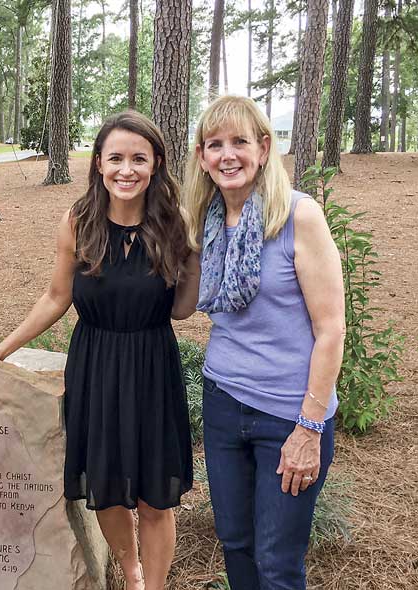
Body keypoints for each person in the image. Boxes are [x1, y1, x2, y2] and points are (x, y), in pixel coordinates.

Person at [0, 111, 197, 590]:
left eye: (138, 158)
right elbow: (56, 296)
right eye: (115, 158)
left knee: (156, 498)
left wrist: (192, 256)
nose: (126, 169)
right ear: (97, 163)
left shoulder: (175, 225)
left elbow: (182, 312)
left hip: (152, 368)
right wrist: (3, 348)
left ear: (156, 164)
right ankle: (130, 571)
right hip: (96, 366)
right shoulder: (79, 220)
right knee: (107, 488)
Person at [181, 95, 345, 590]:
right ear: (202, 157)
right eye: (214, 145)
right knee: (235, 543)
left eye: (239, 142)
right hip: (224, 403)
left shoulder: (299, 215)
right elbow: (181, 307)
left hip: (289, 414)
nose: (227, 155)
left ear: (264, 148)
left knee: (276, 561)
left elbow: (331, 328)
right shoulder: (205, 224)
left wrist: (308, 429)